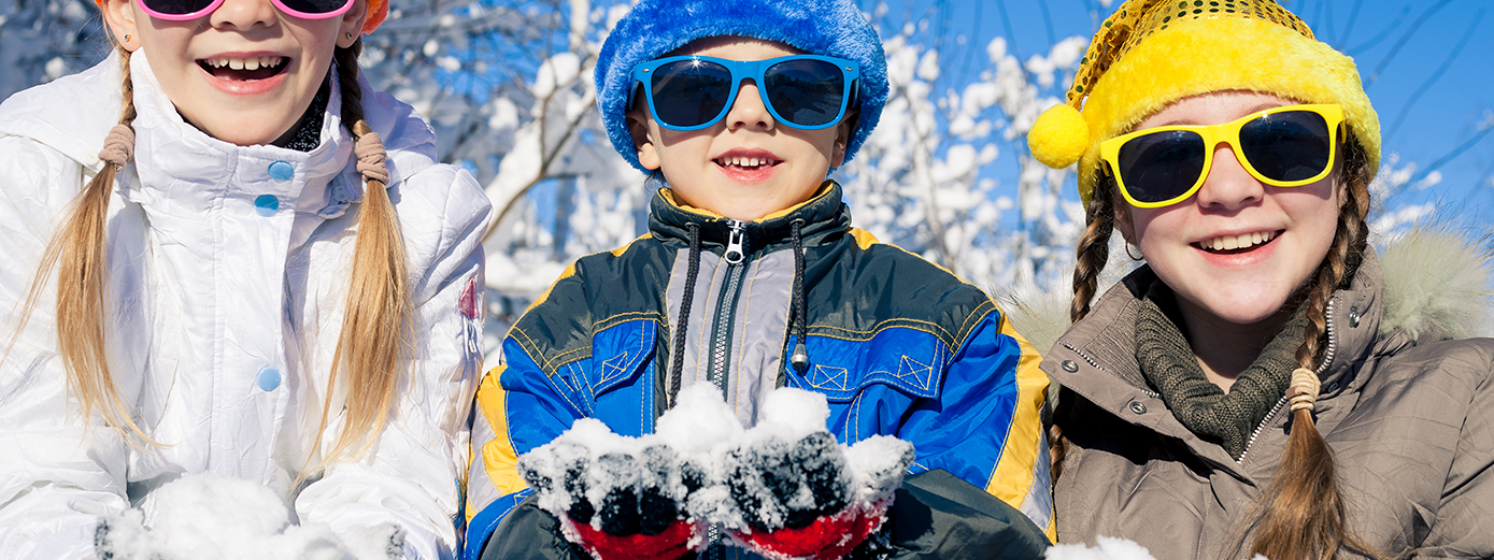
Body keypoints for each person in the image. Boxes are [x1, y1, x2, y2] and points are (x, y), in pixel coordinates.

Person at [463, 0, 1053, 558]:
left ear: (842, 132)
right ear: (645, 135)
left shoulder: (946, 322)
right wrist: (590, 539)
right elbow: (502, 515)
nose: (750, 114)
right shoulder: (573, 317)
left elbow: (1001, 525)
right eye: (695, 90)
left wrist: (867, 533)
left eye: (800, 90)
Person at [0, 0, 491, 557]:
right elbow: (34, 484)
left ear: (355, 15)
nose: (246, 12)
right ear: (122, 12)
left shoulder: (422, 216)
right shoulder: (31, 178)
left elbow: (392, 495)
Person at [1024, 0, 1494, 558]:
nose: (1228, 190)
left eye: (1281, 144)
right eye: (1167, 160)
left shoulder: (1469, 401)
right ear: (1120, 212)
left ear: (1347, 176)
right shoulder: (1034, 427)